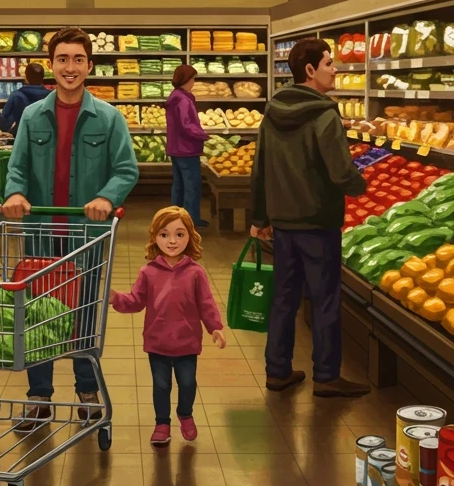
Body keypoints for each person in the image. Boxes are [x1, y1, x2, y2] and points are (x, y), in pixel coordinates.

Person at [2, 26, 139, 423]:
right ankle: (39, 394)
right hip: (41, 233)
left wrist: (105, 197)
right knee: (38, 313)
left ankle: (86, 388)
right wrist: (14, 194)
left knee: (83, 313)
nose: (70, 67)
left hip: (87, 235)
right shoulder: (32, 115)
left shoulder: (109, 118)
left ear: (89, 65)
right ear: (51, 65)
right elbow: (18, 168)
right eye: (62, 59)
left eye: (78, 59)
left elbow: (126, 169)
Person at [250, 37, 369, 398]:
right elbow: (340, 171)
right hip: (319, 223)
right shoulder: (324, 114)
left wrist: (260, 216)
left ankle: (277, 371)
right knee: (325, 299)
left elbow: (260, 168)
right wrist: (359, 184)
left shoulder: (273, 110)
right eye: (330, 64)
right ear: (310, 70)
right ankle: (327, 375)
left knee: (284, 298)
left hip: (284, 223)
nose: (335, 70)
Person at [110, 206, 224, 447]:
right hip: (157, 342)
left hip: (187, 342)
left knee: (187, 383)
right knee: (161, 385)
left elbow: (206, 304)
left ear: (190, 237)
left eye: (179, 234)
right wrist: (115, 298)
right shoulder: (148, 272)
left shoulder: (196, 273)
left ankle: (185, 414)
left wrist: (215, 327)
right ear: (154, 237)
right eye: (164, 234)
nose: (172, 241)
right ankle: (162, 423)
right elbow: (135, 301)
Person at [166, 63, 208, 227]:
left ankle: (175, 218)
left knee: (179, 186)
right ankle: (191, 221)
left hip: (176, 149)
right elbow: (186, 125)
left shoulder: (175, 96)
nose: (194, 83)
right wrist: (203, 135)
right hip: (187, 149)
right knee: (191, 186)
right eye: (193, 79)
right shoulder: (183, 100)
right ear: (186, 80)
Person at [0, 61, 50, 134]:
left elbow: (4, 119)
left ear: (26, 77)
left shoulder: (16, 95)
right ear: (43, 78)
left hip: (22, 134)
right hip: (46, 135)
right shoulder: (52, 96)